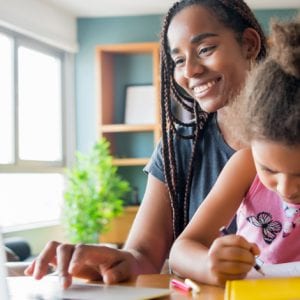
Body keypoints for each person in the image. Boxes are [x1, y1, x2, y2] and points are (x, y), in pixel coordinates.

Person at [24, 0, 267, 288]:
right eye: (177, 60)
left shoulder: (290, 139)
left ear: (249, 44)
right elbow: (143, 256)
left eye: (205, 49)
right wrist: (115, 263)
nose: (189, 70)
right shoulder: (178, 150)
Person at [169, 18, 300, 287]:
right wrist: (208, 265)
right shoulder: (245, 165)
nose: (287, 188)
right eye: (270, 170)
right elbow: (180, 251)